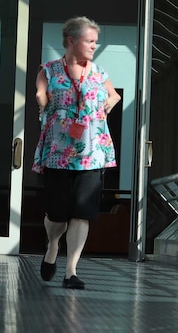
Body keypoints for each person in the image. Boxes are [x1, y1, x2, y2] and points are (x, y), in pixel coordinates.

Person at [32, 16, 121, 290]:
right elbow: (41, 95)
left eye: (95, 41)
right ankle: (53, 244)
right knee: (57, 214)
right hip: (58, 152)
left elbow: (114, 95)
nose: (95, 46)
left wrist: (110, 101)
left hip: (91, 153)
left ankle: (71, 270)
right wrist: (42, 102)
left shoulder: (99, 73)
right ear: (72, 41)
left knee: (82, 213)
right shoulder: (48, 70)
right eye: (90, 41)